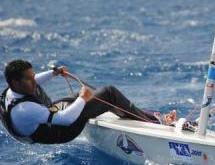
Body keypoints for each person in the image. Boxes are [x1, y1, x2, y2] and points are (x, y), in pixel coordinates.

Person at [0, 59, 177, 144]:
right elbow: (65, 119)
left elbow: (35, 80)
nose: (34, 81)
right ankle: (154, 122)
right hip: (62, 132)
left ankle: (145, 115)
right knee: (109, 92)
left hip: (46, 125)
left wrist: (53, 73)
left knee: (92, 96)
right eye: (29, 79)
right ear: (16, 82)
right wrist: (83, 99)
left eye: (33, 76)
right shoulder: (25, 109)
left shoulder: (11, 91)